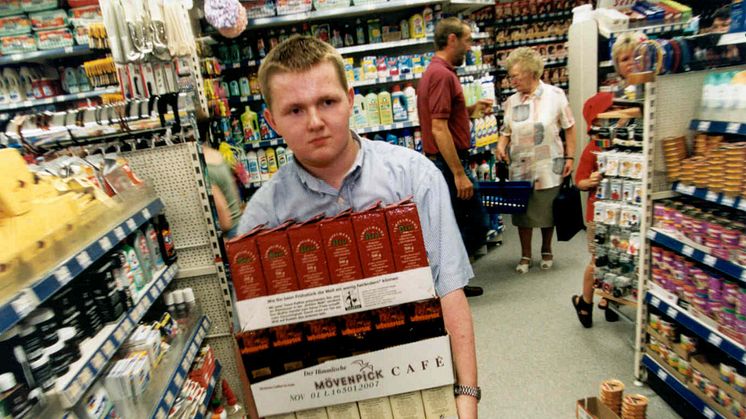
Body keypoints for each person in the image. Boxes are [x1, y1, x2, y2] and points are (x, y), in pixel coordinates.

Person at [236, 36, 480, 418]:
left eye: (327, 102)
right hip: (326, 401)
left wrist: (467, 395)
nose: (315, 122)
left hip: (419, 388)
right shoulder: (261, 219)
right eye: (295, 110)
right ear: (271, 121)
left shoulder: (415, 177)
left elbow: (449, 290)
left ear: (351, 99)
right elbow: (258, 341)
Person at [416, 17, 494, 298]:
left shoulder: (438, 72)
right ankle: (448, 286)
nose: (469, 47)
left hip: (446, 161)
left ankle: (454, 284)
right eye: (467, 40)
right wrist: (459, 173)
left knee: (459, 223)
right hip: (448, 163)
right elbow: (438, 128)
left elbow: (444, 119)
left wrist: (469, 110)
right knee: (475, 223)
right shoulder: (441, 74)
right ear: (452, 40)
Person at [496, 47, 577, 274]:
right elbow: (506, 130)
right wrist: (501, 146)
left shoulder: (555, 95)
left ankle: (546, 249)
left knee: (546, 209)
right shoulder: (511, 101)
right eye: (510, 76)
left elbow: (570, 128)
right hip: (520, 167)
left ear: (532, 72)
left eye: (515, 75)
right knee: (522, 213)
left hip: (548, 164)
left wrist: (570, 155)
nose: (511, 80)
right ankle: (525, 254)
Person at [571, 92, 621, 327]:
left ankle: (609, 299)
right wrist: (589, 181)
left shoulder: (625, 146)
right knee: (598, 260)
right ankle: (586, 301)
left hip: (620, 215)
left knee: (618, 259)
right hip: (597, 215)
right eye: (612, 114)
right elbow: (578, 181)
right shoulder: (592, 148)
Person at [204, 143, 242, 238]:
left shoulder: (206, 168)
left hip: (230, 233)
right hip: (238, 224)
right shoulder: (217, 155)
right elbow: (234, 192)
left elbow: (224, 220)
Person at [609, 32, 647, 97]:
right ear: (618, 67)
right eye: (625, 59)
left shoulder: (654, 91)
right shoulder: (616, 98)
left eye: (636, 56)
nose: (632, 62)